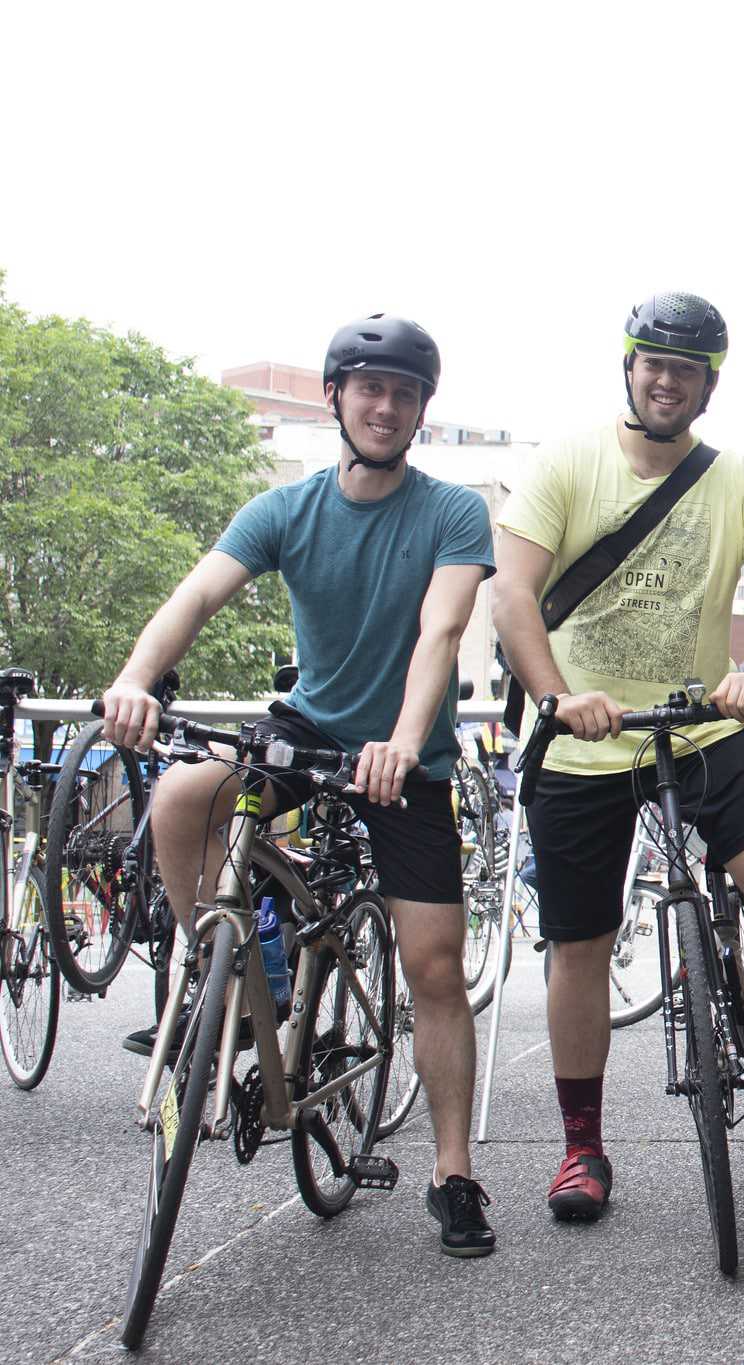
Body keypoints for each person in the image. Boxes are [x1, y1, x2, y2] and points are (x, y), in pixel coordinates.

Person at [99, 315, 499, 1256]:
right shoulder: (287, 508)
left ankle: (454, 1173)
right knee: (184, 795)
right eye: (369, 387)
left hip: (407, 756)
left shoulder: (453, 511)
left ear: (420, 412)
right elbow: (194, 597)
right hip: (311, 726)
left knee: (436, 966)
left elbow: (440, 634)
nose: (386, 405)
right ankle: (235, 977)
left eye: (403, 393)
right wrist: (131, 679)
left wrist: (403, 742)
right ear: (337, 398)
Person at [493, 291, 744, 1225]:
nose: (665, 379)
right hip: (583, 734)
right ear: (629, 366)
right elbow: (513, 593)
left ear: (708, 386)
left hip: (700, 725)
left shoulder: (738, 480)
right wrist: (556, 697)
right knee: (579, 941)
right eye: (652, 362)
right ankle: (581, 1147)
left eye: (684, 369)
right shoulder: (566, 465)